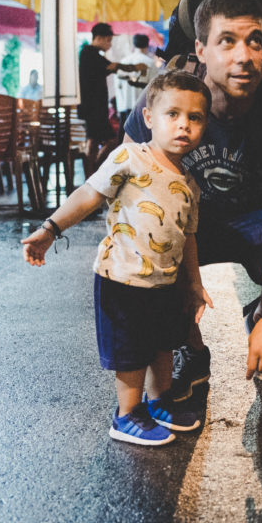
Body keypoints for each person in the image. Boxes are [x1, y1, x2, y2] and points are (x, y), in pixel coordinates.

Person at [123, 0, 262, 393]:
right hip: (192, 218)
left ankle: (260, 315)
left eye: (255, 42)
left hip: (259, 220)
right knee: (145, 250)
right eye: (226, 42)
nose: (243, 56)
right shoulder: (166, 97)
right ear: (200, 49)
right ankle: (191, 351)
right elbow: (129, 185)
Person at [21, 71, 213, 445]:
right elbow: (88, 195)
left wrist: (194, 283)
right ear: (148, 118)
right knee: (131, 350)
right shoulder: (130, 157)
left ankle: (158, 402)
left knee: (163, 343)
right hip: (122, 279)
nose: (183, 125)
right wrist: (50, 229)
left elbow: (188, 236)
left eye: (195, 118)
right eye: (172, 114)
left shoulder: (191, 183)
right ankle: (126, 414)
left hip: (166, 282)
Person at [78, 23, 149, 178]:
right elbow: (113, 66)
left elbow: (112, 68)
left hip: (96, 107)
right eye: (108, 40)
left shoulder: (91, 54)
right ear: (99, 38)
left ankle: (92, 172)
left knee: (95, 139)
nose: (109, 45)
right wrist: (137, 67)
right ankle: (94, 170)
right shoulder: (89, 53)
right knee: (107, 140)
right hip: (93, 108)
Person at [115, 34, 156, 129]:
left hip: (124, 107)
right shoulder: (150, 63)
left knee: (124, 139)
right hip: (142, 108)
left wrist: (120, 107)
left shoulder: (123, 62)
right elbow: (153, 87)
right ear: (147, 45)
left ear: (133, 45)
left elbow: (118, 87)